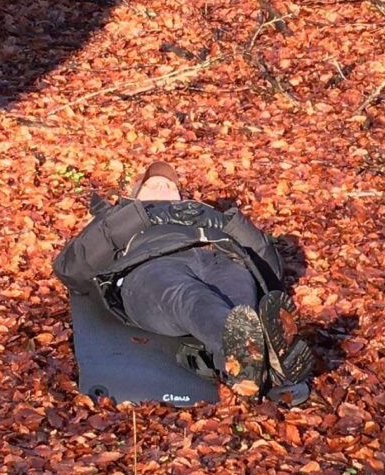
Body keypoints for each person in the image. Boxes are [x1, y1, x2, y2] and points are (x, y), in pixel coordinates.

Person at [53, 164, 314, 399]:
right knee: (190, 298)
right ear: (135, 194)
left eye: (170, 185)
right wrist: (137, 218)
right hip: (150, 265)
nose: (163, 187)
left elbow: (271, 269)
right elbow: (70, 268)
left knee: (240, 307)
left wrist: (230, 224)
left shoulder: (203, 213)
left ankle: (253, 360)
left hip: (219, 257)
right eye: (153, 184)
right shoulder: (121, 216)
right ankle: (254, 355)